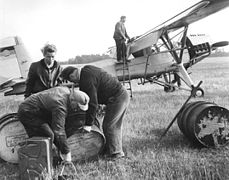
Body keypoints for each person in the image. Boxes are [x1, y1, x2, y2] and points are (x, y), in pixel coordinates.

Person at [60, 65, 130, 159]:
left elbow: (92, 103)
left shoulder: (86, 79)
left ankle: (116, 154)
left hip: (118, 97)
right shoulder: (86, 70)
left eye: (72, 80)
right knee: (110, 125)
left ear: (72, 75)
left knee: (110, 125)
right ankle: (109, 149)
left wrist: (88, 125)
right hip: (116, 96)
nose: (74, 82)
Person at [18, 86, 90, 162]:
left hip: (39, 110)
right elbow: (59, 131)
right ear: (73, 100)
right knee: (48, 135)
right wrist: (67, 152)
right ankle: (34, 159)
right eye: (77, 106)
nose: (76, 109)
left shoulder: (66, 91)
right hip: (28, 112)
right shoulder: (60, 106)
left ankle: (50, 156)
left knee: (52, 133)